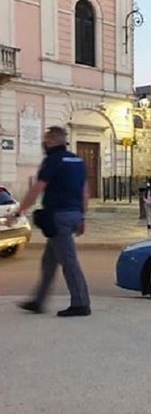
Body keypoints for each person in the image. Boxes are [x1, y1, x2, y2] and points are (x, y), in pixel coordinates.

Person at [8, 126, 91, 317]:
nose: (44, 143)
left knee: (69, 261)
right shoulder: (78, 160)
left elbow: (37, 188)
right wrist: (82, 217)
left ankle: (81, 303)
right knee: (49, 261)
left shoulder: (53, 160)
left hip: (58, 217)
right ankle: (38, 301)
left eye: (46, 140)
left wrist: (19, 211)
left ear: (52, 141)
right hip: (73, 215)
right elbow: (84, 191)